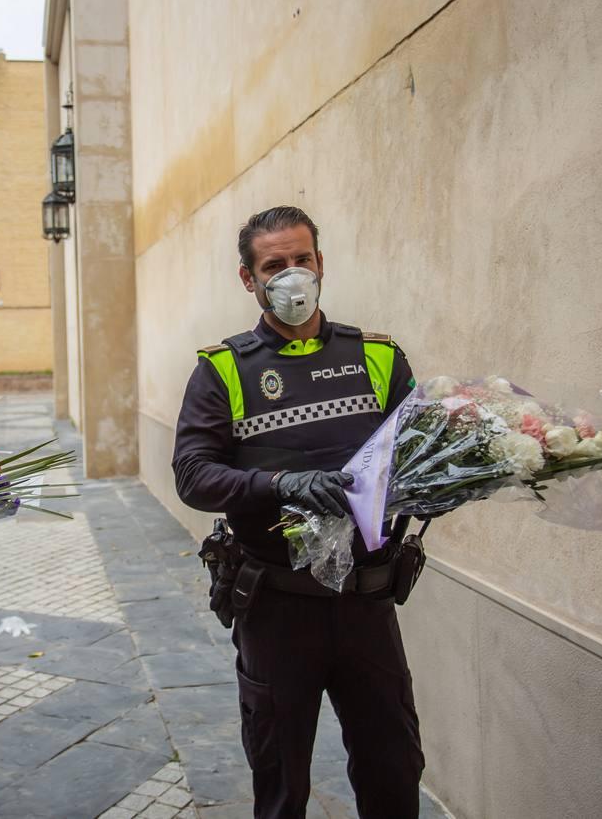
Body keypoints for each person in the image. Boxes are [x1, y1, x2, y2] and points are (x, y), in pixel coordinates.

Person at [172, 206, 424, 819]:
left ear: (321, 264)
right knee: (281, 782)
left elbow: (419, 455)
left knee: (393, 766)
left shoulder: (379, 357)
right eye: (274, 265)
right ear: (248, 279)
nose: (292, 276)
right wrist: (280, 482)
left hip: (366, 603)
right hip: (277, 606)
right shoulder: (223, 369)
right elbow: (193, 474)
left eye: (301, 260)